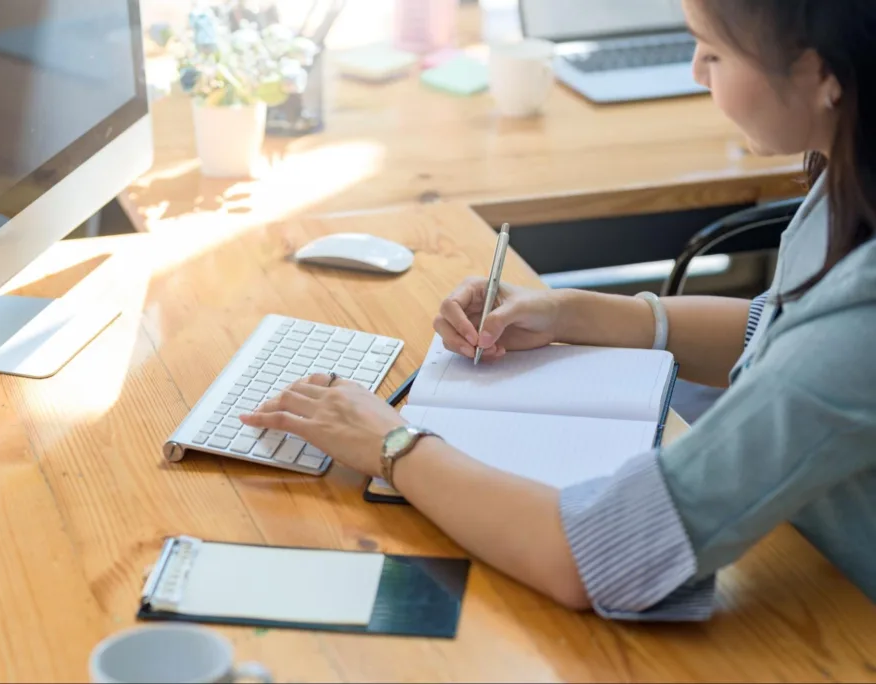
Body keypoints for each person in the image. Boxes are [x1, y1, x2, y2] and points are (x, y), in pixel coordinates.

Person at [241, 0, 876, 619]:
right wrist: (568, 313)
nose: (693, 72)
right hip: (805, 563)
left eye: (712, 50)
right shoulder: (850, 174)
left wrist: (392, 445)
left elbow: (598, 554)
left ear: (821, 74)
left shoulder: (858, 332)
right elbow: (776, 332)